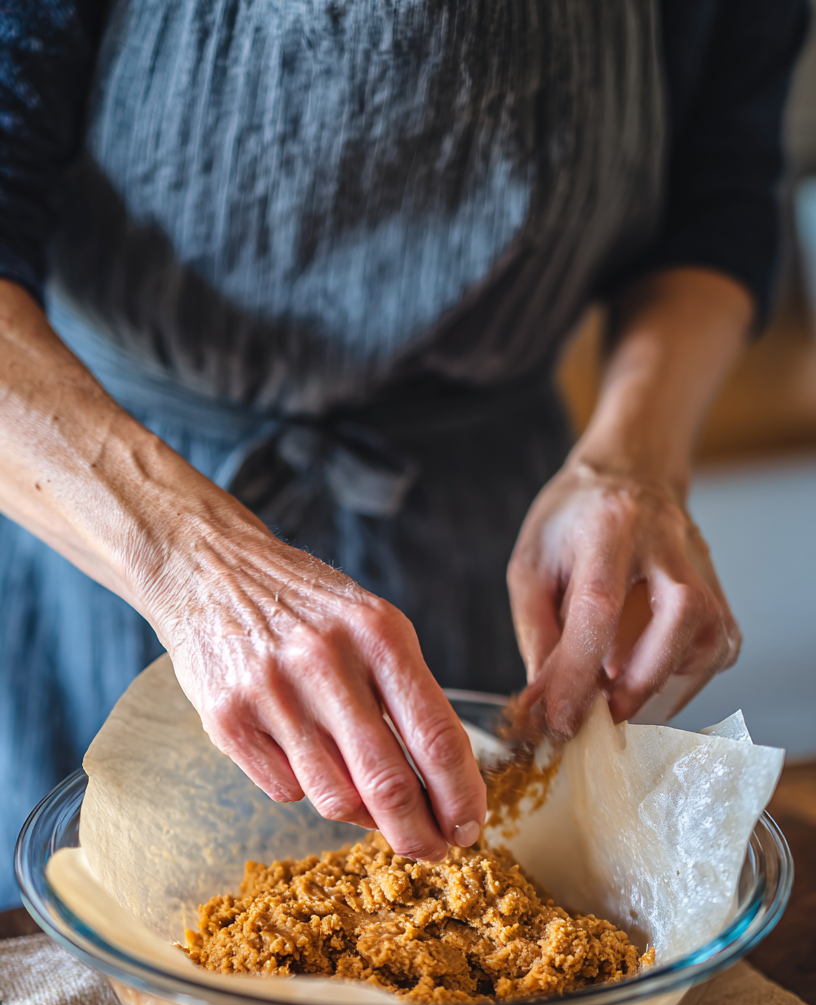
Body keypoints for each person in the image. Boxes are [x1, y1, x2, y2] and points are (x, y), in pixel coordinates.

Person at [0, 0, 807, 906]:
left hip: (485, 510)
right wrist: (195, 568)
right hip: (97, 505)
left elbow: (718, 198)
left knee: (498, 879)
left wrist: (634, 455)